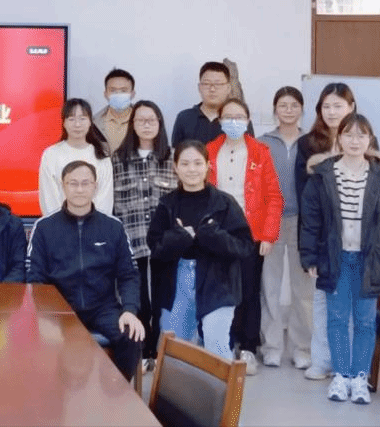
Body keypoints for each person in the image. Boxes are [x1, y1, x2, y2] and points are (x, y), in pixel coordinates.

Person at [300, 113, 380, 405]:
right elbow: (310, 221)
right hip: (335, 258)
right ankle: (341, 376)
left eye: (361, 135)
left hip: (369, 260)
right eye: (349, 134)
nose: (355, 141)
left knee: (365, 321)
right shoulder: (323, 175)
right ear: (339, 139)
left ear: (370, 140)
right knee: (336, 319)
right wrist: (309, 257)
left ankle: (359, 377)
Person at [28, 160, 144, 381]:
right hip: (60, 309)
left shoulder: (113, 227)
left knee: (131, 335)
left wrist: (129, 310)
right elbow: (35, 278)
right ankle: (58, 394)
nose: (79, 189)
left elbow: (128, 275)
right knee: (39, 342)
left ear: (95, 186)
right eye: (73, 183)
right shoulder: (44, 227)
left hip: (103, 308)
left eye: (85, 183)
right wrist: (46, 315)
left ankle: (116, 391)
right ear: (63, 186)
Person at [147, 140, 255, 361]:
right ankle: (178, 386)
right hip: (177, 280)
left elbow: (244, 245)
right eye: (185, 163)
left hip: (218, 280)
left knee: (217, 345)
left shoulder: (225, 203)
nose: (192, 169)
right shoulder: (167, 204)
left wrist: (212, 235)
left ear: (208, 166)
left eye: (198, 163)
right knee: (175, 349)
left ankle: (222, 385)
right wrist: (180, 237)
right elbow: (155, 247)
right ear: (175, 167)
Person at [205, 97, 283, 375]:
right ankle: (222, 345)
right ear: (220, 120)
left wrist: (269, 235)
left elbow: (274, 196)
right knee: (219, 290)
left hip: (251, 232)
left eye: (239, 117)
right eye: (228, 117)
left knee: (249, 291)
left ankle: (248, 348)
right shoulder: (209, 150)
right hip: (217, 232)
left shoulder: (260, 152)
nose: (233, 122)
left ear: (248, 120)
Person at [295, 82, 357, 380]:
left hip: (355, 234)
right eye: (326, 106)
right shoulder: (308, 144)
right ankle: (321, 361)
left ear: (351, 107)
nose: (332, 112)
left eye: (338, 106)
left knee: (350, 303)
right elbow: (303, 193)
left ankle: (345, 364)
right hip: (322, 232)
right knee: (321, 300)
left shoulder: (362, 138)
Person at [111, 100, 175, 365]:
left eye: (152, 120)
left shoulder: (172, 157)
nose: (146, 125)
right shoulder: (118, 160)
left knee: (163, 300)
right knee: (138, 300)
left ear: (160, 124)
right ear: (132, 125)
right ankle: (142, 350)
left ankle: (159, 352)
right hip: (132, 239)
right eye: (140, 120)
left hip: (165, 242)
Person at [257, 86, 313, 370]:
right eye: (283, 105)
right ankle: (271, 347)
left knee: (303, 290)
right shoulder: (262, 142)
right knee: (270, 287)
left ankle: (303, 349)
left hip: (305, 222)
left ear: (302, 109)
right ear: (275, 110)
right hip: (272, 221)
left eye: (294, 105)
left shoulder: (312, 141)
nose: (288, 110)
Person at [39, 98, 112, 216]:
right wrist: (59, 223)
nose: (77, 124)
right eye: (71, 119)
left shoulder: (101, 155)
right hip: (59, 224)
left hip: (95, 224)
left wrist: (96, 223)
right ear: (64, 123)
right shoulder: (51, 155)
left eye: (82, 119)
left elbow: (105, 198)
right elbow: (49, 197)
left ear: (90, 122)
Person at [171, 62, 254, 147]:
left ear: (228, 88)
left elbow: (251, 151)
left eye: (218, 84)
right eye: (207, 84)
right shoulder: (184, 118)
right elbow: (176, 152)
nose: (212, 89)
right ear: (199, 87)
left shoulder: (240, 119)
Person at [93, 68, 136, 154]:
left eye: (123, 90)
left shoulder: (142, 120)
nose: (118, 94)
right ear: (105, 94)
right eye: (113, 90)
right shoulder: (94, 122)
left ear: (132, 94)